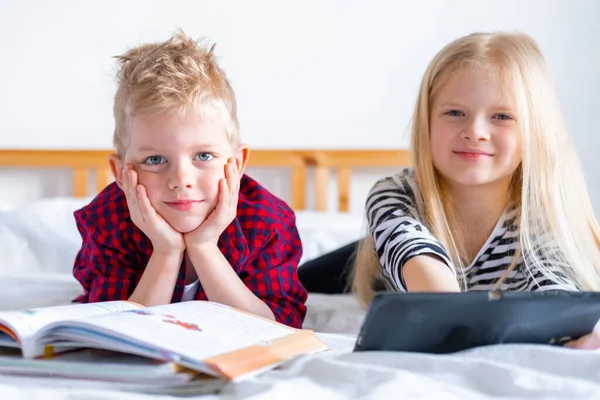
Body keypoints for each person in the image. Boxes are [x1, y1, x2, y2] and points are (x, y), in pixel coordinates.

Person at [303, 31, 600, 348]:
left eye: (502, 116)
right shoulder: (394, 196)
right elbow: (440, 302)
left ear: (535, 131)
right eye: (455, 113)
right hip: (389, 257)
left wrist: (571, 338)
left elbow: (558, 300)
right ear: (426, 121)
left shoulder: (543, 212)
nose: (475, 132)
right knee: (291, 284)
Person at [71, 31, 307, 328]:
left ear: (236, 163)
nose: (181, 179)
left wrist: (205, 246)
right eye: (155, 160)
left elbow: (279, 328)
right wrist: (166, 251)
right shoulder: (107, 220)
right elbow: (114, 331)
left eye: (203, 156)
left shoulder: (266, 221)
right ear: (120, 173)